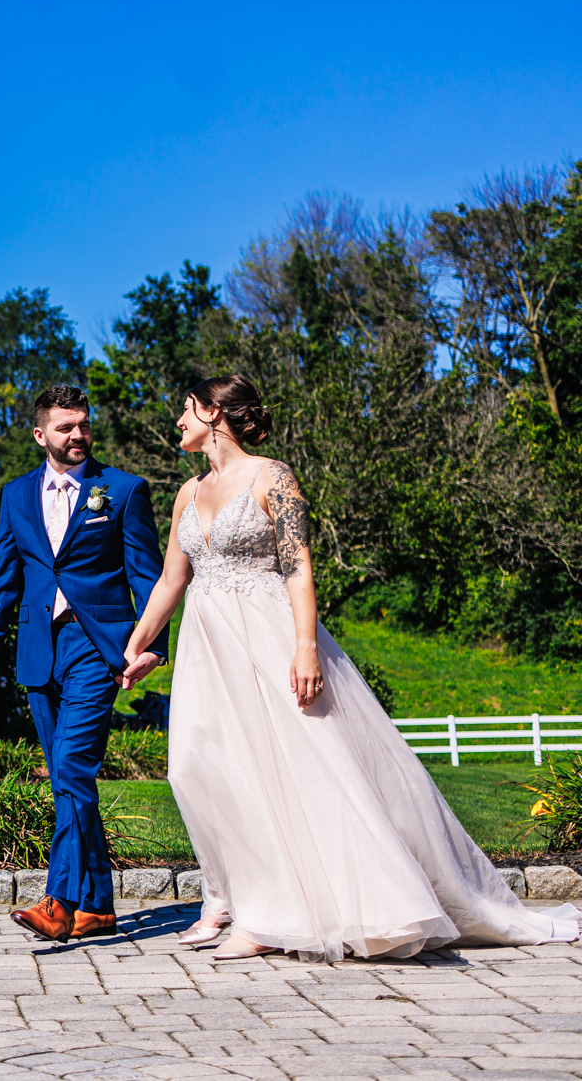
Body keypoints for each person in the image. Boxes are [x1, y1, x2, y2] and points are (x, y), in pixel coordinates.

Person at [121, 374, 579, 962]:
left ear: (214, 413)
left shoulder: (273, 476)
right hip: (209, 649)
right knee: (199, 767)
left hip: (269, 635)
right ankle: (235, 901)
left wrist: (306, 647)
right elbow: (170, 581)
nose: (177, 420)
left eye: (185, 409)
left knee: (295, 770)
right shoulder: (188, 493)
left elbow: (297, 567)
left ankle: (269, 920)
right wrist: (137, 645)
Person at [0, 384, 165, 942]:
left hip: (96, 646)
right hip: (37, 649)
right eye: (65, 427)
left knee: (73, 769)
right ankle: (99, 904)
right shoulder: (15, 495)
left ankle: (58, 900)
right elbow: (2, 573)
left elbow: (147, 575)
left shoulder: (122, 491)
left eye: (83, 424)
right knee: (66, 779)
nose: (77, 434)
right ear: (41, 435)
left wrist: (152, 645)